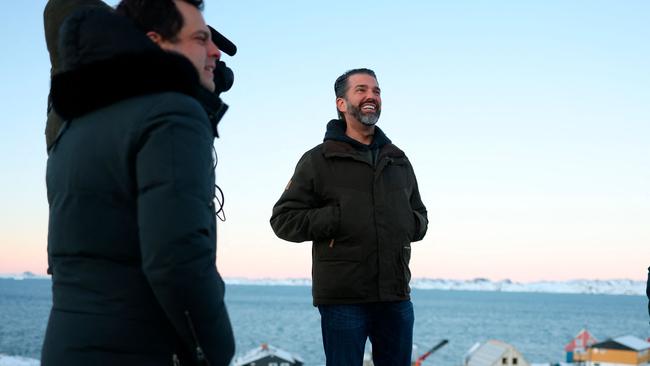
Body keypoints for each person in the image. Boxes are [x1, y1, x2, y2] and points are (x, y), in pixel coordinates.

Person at [41, 1, 235, 365]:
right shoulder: (172, 113)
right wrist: (214, 350)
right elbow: (176, 258)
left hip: (69, 345)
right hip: (136, 348)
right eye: (200, 38)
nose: (215, 52)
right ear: (155, 42)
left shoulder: (76, 123)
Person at [270, 68, 428, 366]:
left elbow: (419, 214)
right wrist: (336, 218)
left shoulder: (397, 159)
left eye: (376, 91)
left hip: (395, 296)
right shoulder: (318, 160)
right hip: (344, 299)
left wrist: (408, 224)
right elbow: (283, 220)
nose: (371, 96)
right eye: (361, 90)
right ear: (341, 104)